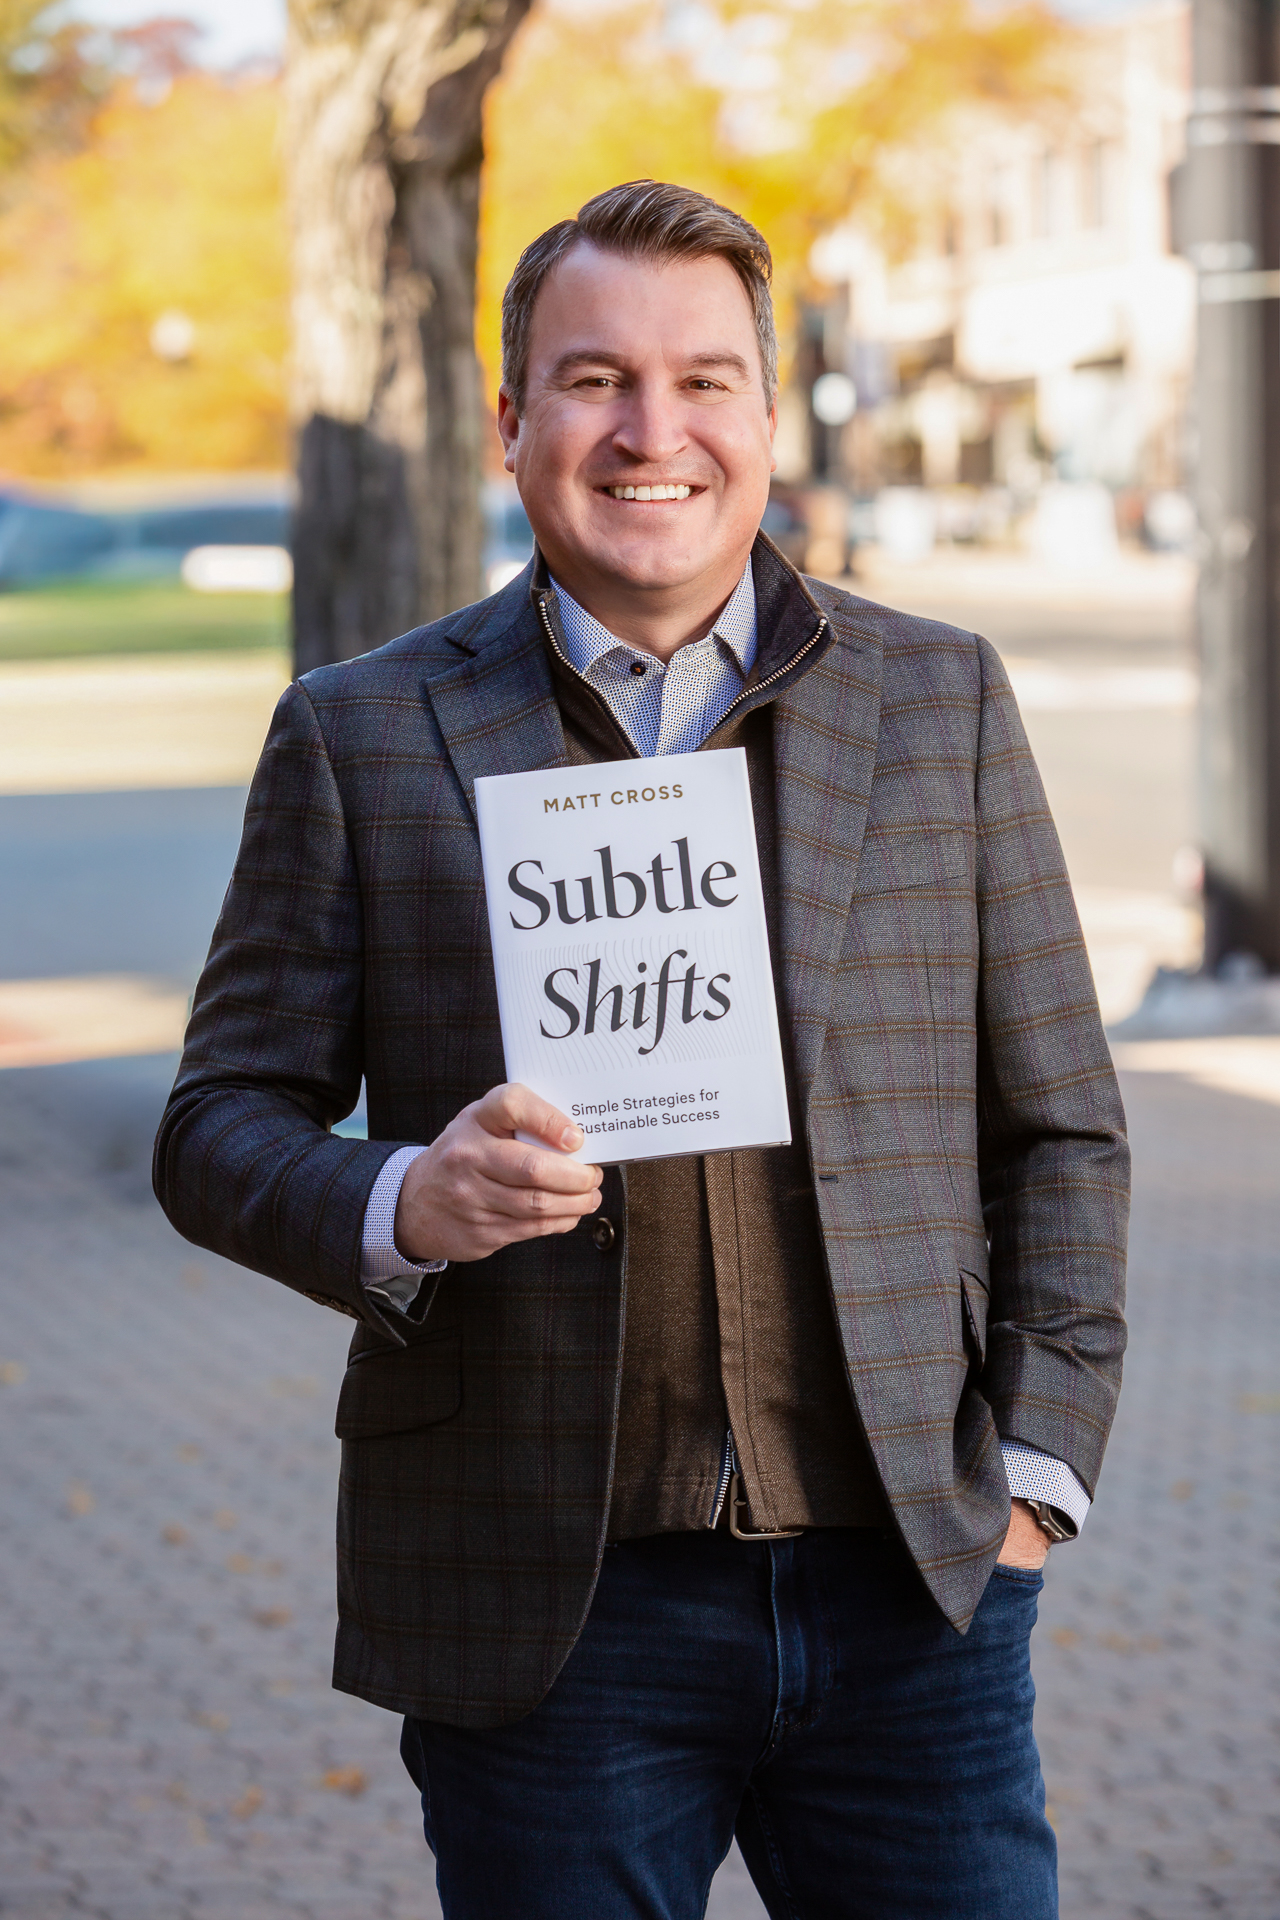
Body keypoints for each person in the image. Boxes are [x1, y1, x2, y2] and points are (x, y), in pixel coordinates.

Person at [154, 179, 1129, 1920]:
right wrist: (403, 1199)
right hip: (549, 1607)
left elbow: (1059, 1123)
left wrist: (1036, 1476)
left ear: (767, 412)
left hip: (914, 1584)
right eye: (594, 379)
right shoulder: (362, 731)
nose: (651, 430)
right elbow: (219, 1123)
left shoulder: (942, 699)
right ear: (513, 418)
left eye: (704, 380)